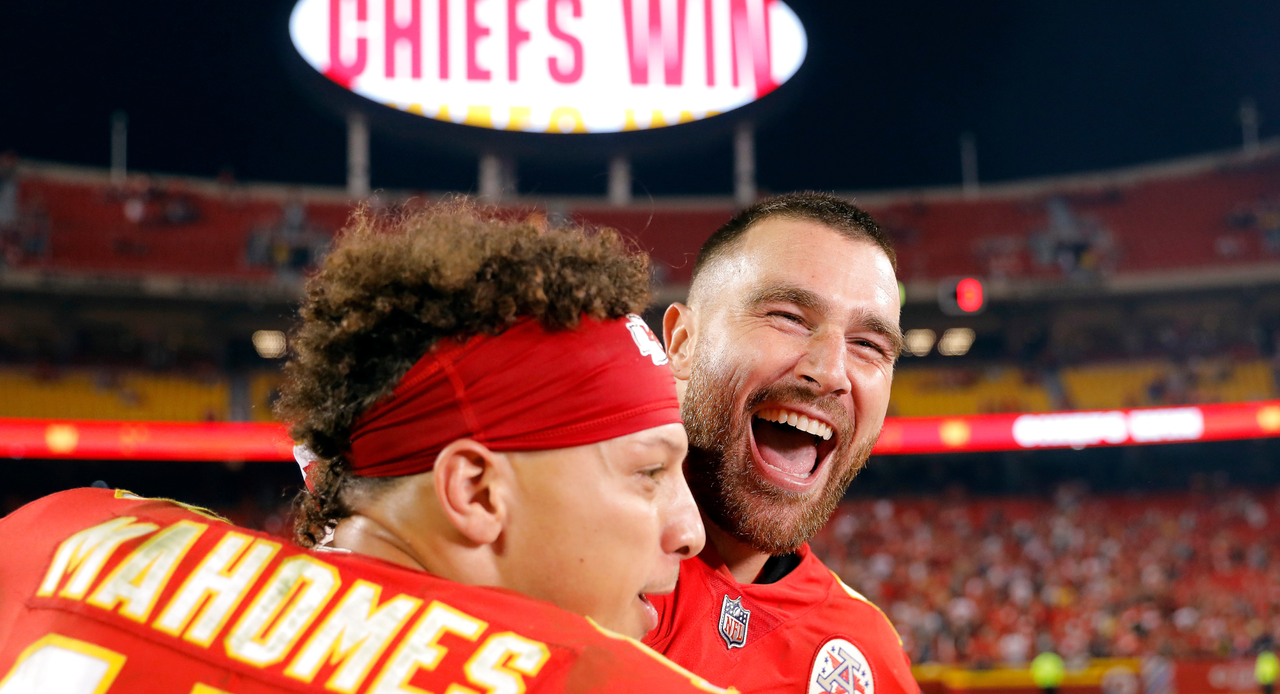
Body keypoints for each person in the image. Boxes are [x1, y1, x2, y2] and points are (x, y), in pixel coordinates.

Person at [0, 201, 729, 694]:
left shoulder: (63, 535)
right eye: (649, 473)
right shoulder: (591, 678)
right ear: (474, 491)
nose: (691, 530)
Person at [642, 192, 920, 693]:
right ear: (682, 343)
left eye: (869, 345)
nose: (830, 372)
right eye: (789, 317)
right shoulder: (550, 568)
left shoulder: (870, 659)